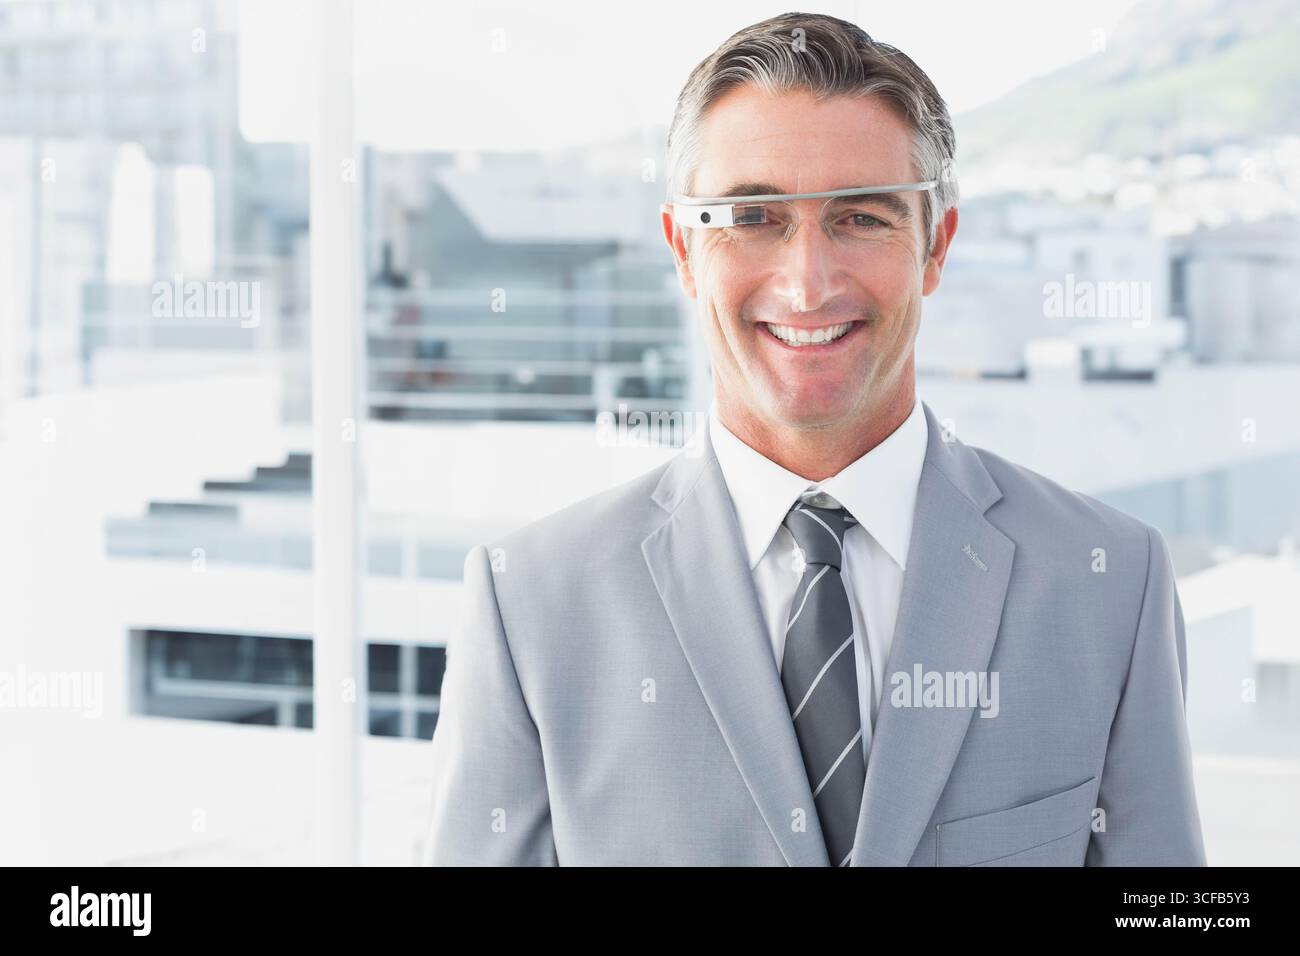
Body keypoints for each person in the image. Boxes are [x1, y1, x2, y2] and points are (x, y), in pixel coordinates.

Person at [423, 11, 1206, 866]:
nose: (806, 284)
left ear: (934, 246)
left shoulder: (1109, 582)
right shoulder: (530, 605)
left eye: (862, 217)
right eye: (752, 216)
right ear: (684, 250)